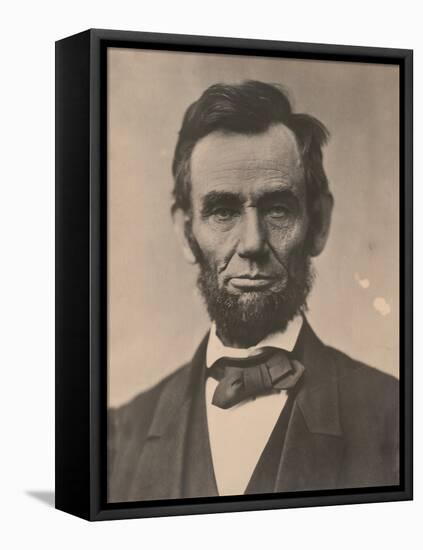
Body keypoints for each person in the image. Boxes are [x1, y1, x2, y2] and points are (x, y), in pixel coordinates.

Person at [108, 80, 399, 503]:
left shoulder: (397, 418)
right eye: (223, 211)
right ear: (185, 231)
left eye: (277, 209)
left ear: (318, 224)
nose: (252, 243)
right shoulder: (120, 438)